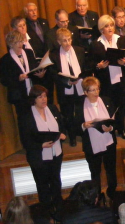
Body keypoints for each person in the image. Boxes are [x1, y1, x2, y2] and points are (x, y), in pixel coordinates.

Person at [20, 85, 66, 220]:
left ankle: (58, 209)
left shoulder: (52, 108)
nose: (43, 99)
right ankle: (46, 212)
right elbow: (25, 140)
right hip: (38, 157)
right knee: (43, 185)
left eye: (45, 96)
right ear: (33, 99)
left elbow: (61, 125)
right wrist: (41, 145)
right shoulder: (26, 115)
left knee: (56, 182)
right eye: (40, 97)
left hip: (56, 154)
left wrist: (62, 134)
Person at [73, 76, 118, 199]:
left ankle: (112, 191)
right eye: (92, 90)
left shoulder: (106, 101)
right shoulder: (79, 105)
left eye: (97, 89)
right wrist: (83, 125)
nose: (96, 92)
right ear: (85, 92)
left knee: (111, 169)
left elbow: (116, 120)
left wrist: (111, 128)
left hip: (108, 141)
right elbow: (75, 126)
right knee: (95, 171)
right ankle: (97, 194)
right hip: (91, 144)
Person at [0, 31, 45, 130]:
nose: (21, 44)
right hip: (19, 96)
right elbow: (4, 80)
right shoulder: (5, 60)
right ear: (11, 44)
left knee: (38, 118)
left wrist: (39, 74)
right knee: (24, 121)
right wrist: (18, 78)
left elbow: (34, 68)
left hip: (33, 92)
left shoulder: (28, 53)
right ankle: (27, 143)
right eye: (17, 42)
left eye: (21, 41)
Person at [49, 28, 86, 147]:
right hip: (65, 89)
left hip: (80, 87)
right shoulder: (54, 54)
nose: (68, 43)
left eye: (69, 39)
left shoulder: (79, 51)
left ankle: (82, 133)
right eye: (64, 41)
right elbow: (53, 74)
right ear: (59, 42)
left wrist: (81, 77)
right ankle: (72, 137)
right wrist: (68, 82)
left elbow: (85, 67)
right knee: (68, 115)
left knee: (81, 112)